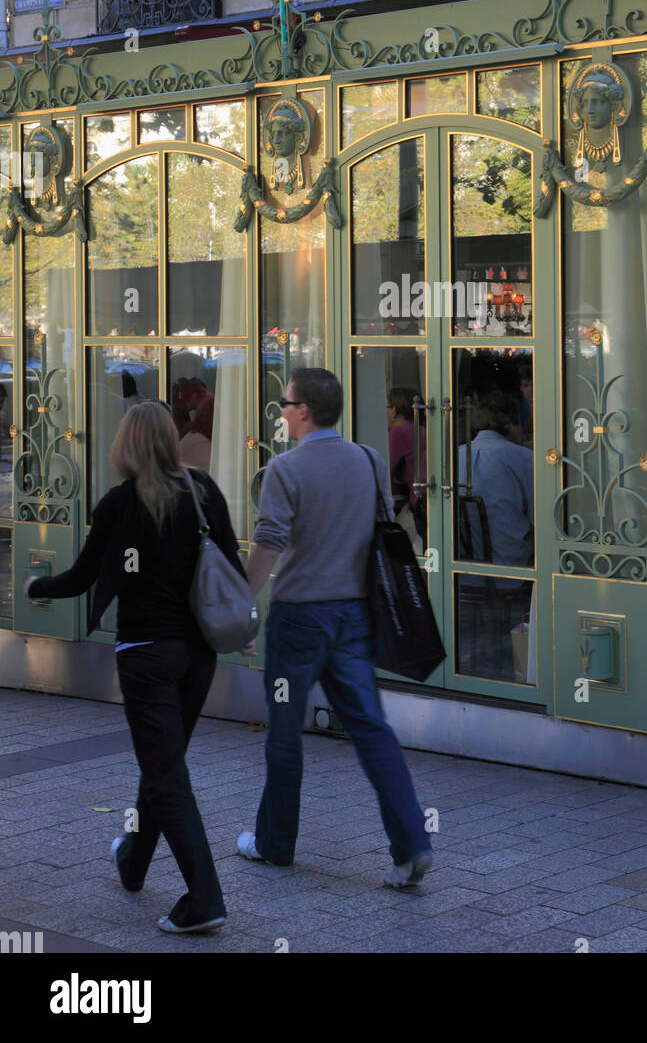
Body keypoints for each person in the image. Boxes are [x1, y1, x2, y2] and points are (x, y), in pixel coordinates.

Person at [24, 401, 246, 934]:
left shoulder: (120, 503)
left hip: (147, 655)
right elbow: (232, 568)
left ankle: (205, 900)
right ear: (170, 440)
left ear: (125, 445)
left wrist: (37, 587)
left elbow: (80, 576)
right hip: (198, 655)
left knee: (167, 772)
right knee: (163, 763)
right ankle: (134, 861)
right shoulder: (204, 493)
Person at [237, 367, 433, 887]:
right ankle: (412, 844)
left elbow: (271, 541)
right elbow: (378, 526)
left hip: (298, 618)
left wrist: (239, 603)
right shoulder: (368, 460)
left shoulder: (285, 470)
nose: (280, 410)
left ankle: (275, 845)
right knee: (371, 728)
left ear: (303, 410)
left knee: (284, 734)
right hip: (353, 616)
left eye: (284, 402)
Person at [457, 390, 534, 566]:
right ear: (510, 423)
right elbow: (541, 517)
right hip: (510, 569)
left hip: (459, 570)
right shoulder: (522, 457)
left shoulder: (454, 456)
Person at [386, 386, 426, 551]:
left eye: (386, 408)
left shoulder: (399, 433)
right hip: (425, 503)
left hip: (417, 507)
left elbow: (381, 470)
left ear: (394, 410)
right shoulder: (421, 430)